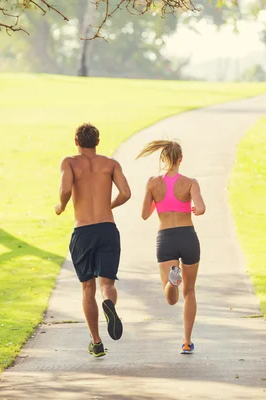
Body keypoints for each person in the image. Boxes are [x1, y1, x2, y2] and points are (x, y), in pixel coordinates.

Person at [55, 123, 131, 358]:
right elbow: (126, 193)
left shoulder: (69, 162)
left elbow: (66, 189)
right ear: (97, 142)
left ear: (76, 142)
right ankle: (109, 303)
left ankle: (96, 342)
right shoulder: (111, 164)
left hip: (84, 232)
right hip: (108, 229)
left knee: (88, 289)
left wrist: (62, 206)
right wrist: (108, 206)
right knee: (107, 285)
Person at [136, 140, 206, 354]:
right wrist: (193, 207)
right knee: (190, 291)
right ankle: (186, 341)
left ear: (164, 159)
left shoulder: (153, 183)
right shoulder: (190, 182)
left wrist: (159, 199)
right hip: (188, 237)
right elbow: (201, 209)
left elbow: (145, 214)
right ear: (180, 159)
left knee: (171, 297)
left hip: (166, 238)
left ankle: (172, 281)